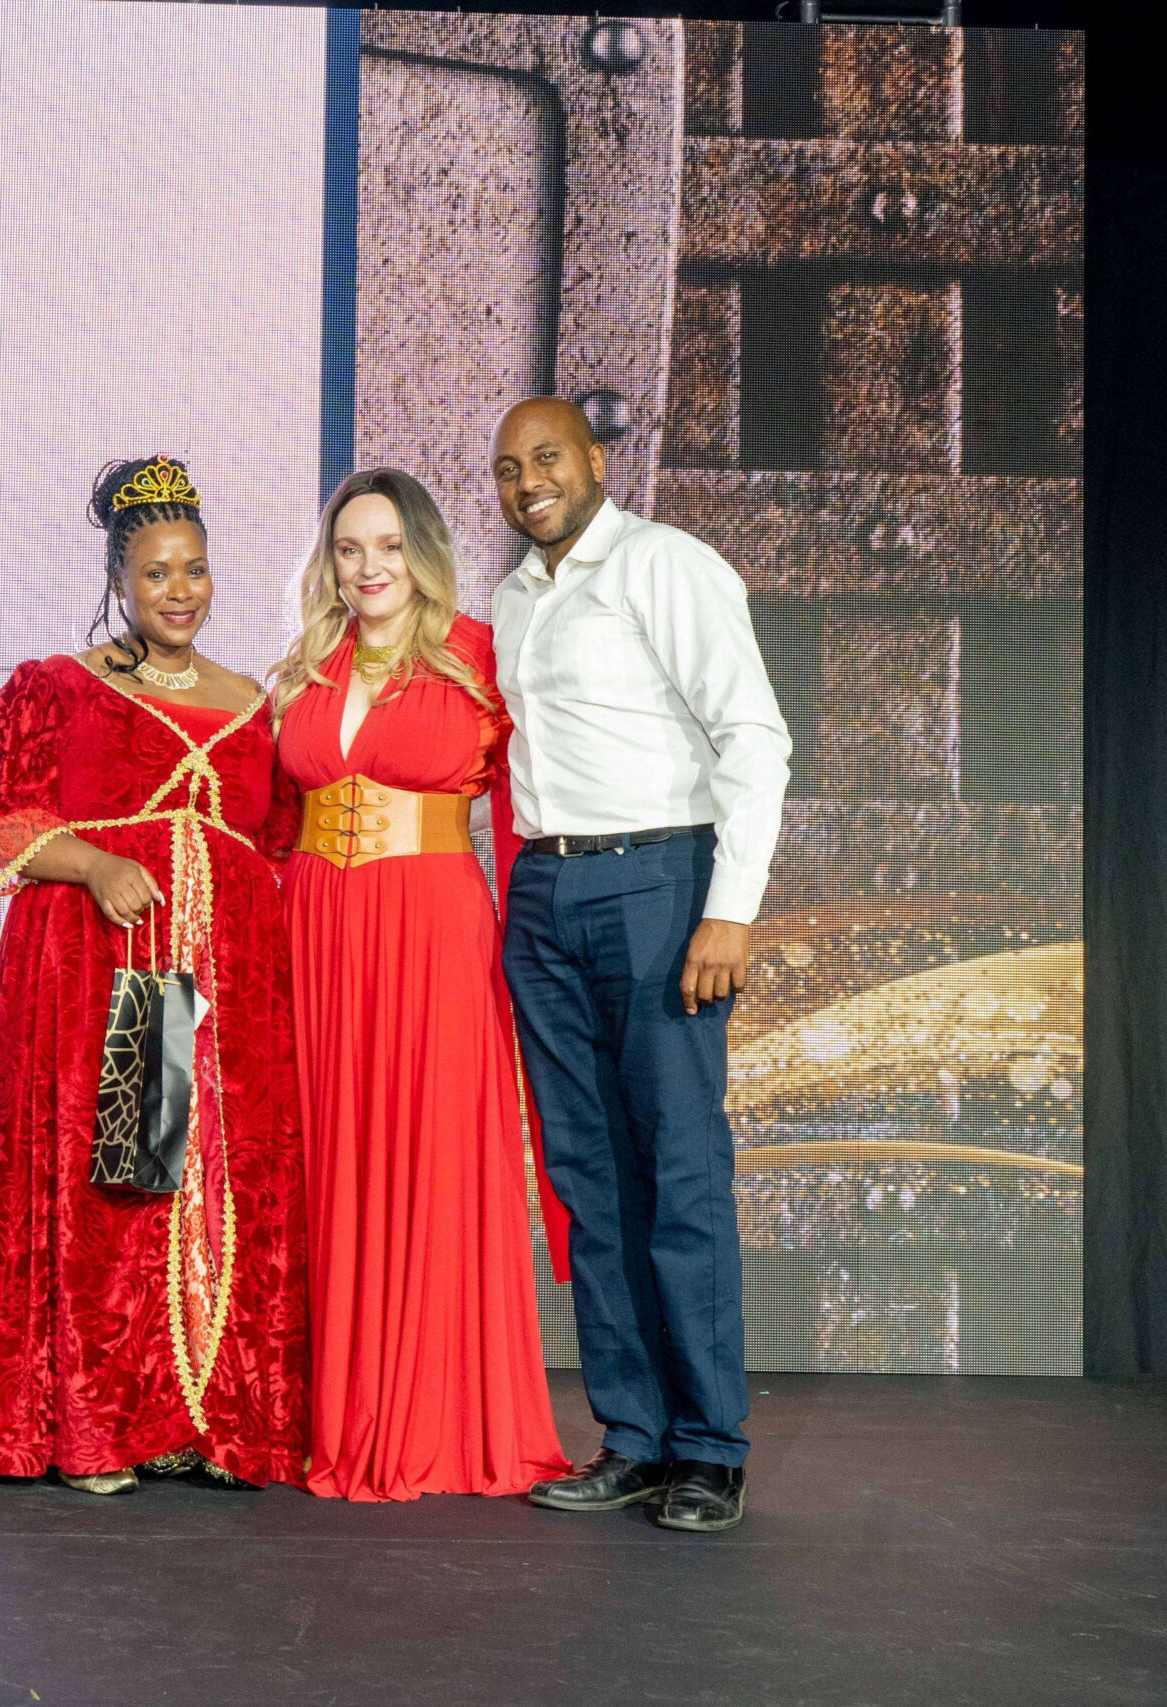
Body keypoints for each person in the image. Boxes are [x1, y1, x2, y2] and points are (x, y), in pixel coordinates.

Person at [0, 455, 308, 1495]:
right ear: (119, 578)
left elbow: (278, 841)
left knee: (215, 1189)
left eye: (194, 569)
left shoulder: (253, 702)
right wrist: (94, 863)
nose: (178, 590)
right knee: (126, 1187)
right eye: (155, 572)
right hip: (119, 974)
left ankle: (210, 1420)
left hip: (226, 997)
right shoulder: (60, 686)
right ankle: (103, 1426)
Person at [490, 397, 791, 1534]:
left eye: (548, 457)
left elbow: (753, 737)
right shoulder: (514, 599)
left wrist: (731, 910)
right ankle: (634, 1436)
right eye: (509, 467)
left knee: (679, 1168)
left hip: (658, 881)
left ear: (597, 460)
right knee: (587, 1177)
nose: (529, 481)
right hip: (544, 889)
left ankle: (709, 1448)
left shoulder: (665, 563)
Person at [269, 467, 569, 1501]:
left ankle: (438, 1416)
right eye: (350, 548)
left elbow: (534, 809)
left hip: (434, 931)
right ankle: (340, 1413)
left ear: (425, 552)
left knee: (430, 1155)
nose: (369, 567)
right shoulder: (303, 667)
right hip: (318, 933)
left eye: (390, 546)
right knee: (333, 1162)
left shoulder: (482, 655)